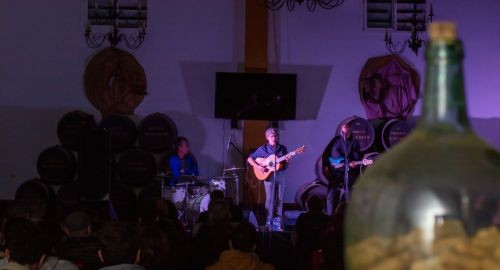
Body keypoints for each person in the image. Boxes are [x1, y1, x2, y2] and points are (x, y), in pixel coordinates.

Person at [247, 127, 290, 231]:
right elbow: (249, 158)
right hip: (268, 176)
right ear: (267, 137)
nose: (274, 138)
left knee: (279, 199)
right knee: (270, 199)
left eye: (275, 136)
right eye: (271, 136)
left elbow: (285, 164)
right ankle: (269, 220)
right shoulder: (263, 149)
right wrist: (258, 167)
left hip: (280, 175)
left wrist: (288, 160)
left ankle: (278, 221)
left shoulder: (282, 148)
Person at [326, 123, 362, 215]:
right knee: (331, 195)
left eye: (346, 133)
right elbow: (330, 155)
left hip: (347, 172)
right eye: (343, 133)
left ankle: (347, 217)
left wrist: (354, 163)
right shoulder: (336, 141)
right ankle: (330, 216)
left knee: (348, 195)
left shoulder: (354, 142)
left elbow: (357, 157)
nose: (344, 135)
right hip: (336, 172)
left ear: (350, 132)